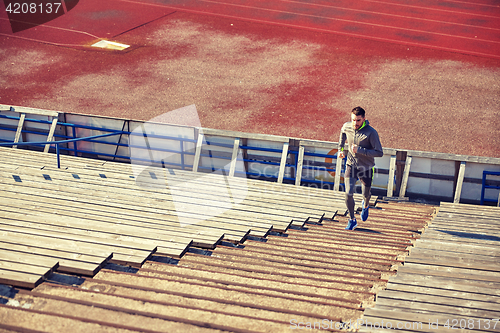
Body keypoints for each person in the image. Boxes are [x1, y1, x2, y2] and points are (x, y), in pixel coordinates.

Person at [338, 107, 383, 230]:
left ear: (364, 119)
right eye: (353, 120)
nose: (355, 123)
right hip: (351, 165)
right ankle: (352, 220)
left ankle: (366, 205)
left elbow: (379, 152)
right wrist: (341, 150)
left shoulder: (371, 133)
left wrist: (360, 150)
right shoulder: (347, 126)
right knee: (348, 193)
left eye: (358, 120)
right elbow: (343, 133)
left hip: (366, 168)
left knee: (366, 194)